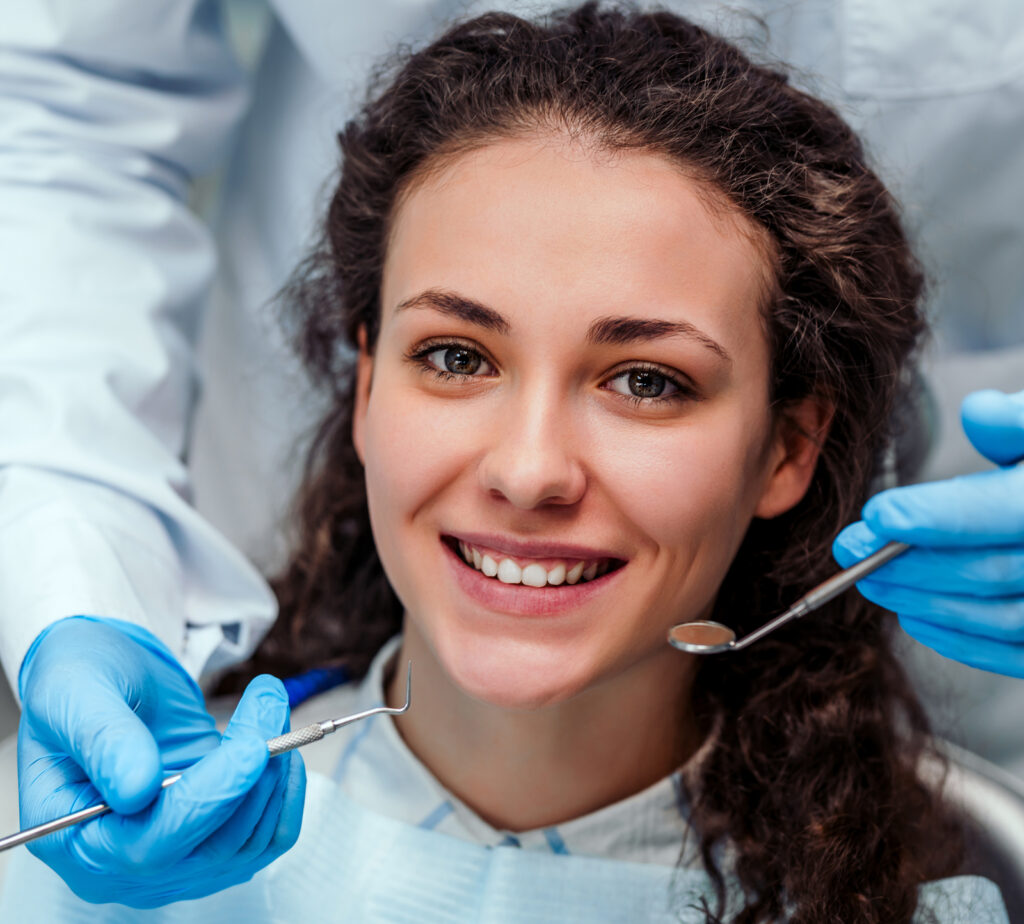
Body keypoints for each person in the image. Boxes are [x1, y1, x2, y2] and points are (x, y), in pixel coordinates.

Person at [1, 0, 1021, 909]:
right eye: (454, 356)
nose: (529, 471)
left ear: (788, 446)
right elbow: (64, 110)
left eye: (647, 380)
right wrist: (77, 568)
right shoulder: (58, 867)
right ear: (362, 385)